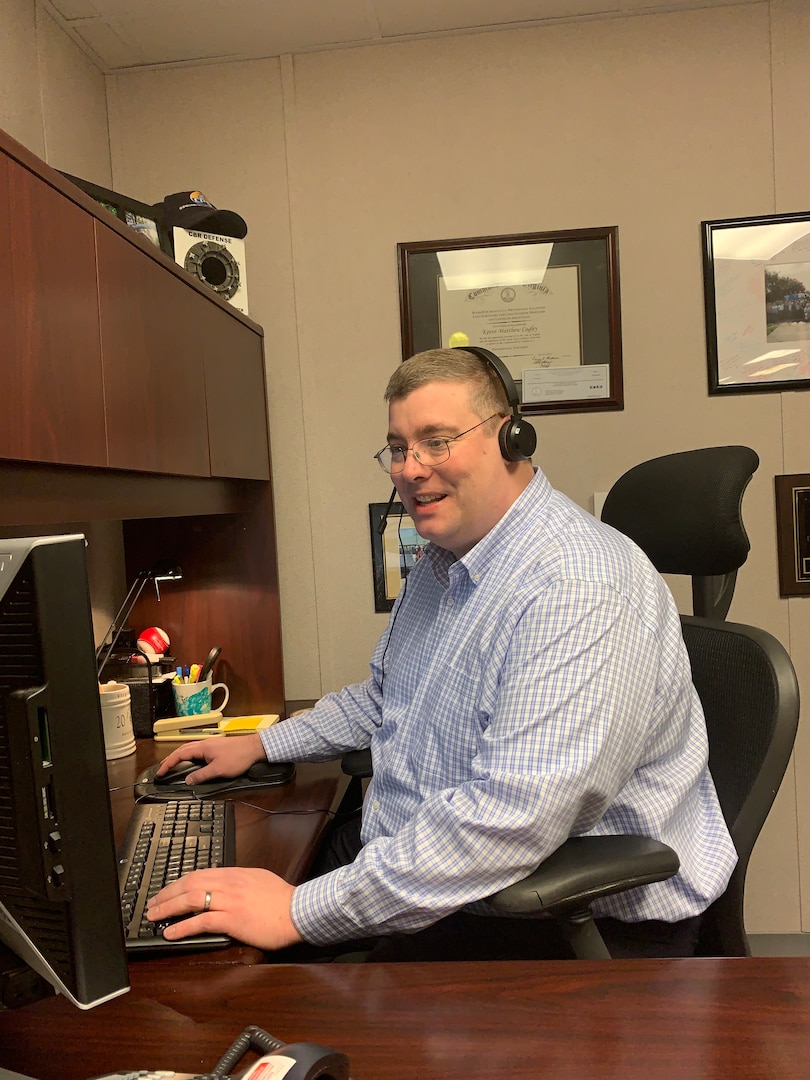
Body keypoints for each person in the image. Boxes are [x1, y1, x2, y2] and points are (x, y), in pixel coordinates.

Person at [147, 348, 737, 960]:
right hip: (424, 867)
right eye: (398, 448)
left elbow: (514, 816)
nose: (411, 468)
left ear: (511, 437)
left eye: (436, 441)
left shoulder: (579, 583)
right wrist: (262, 745)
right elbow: (384, 698)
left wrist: (299, 911)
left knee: (218, 985)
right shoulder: (442, 560)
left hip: (532, 914)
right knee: (209, 921)